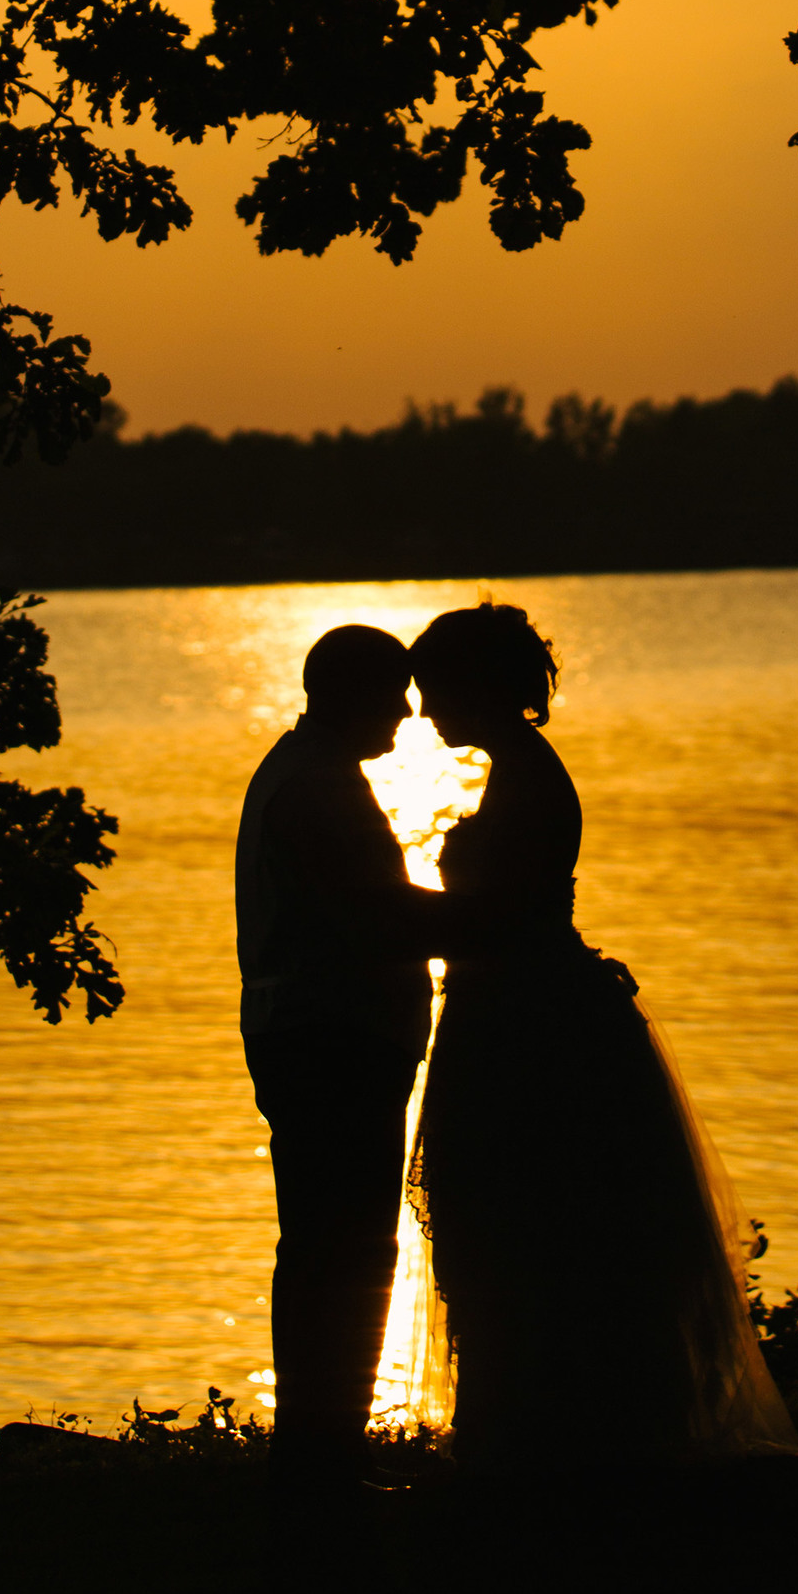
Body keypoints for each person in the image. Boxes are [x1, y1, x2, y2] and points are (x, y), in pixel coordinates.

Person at [404, 600, 798, 1469]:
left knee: (530, 1219)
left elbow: (498, 918)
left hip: (529, 1022)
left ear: (483, 685)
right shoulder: (520, 772)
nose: (423, 711)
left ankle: (543, 1427)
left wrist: (373, 911)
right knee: (525, 1223)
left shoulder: (531, 782)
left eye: (435, 689)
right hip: (518, 1005)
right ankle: (544, 1422)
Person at [235, 621, 459, 1487]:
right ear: (352, 693)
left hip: (321, 1038)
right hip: (334, 1043)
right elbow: (376, 913)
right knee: (350, 1243)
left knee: (326, 1242)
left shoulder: (301, 771)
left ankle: (319, 1439)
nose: (408, 712)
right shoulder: (318, 787)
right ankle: (325, 1446)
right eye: (394, 692)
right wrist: (501, 918)